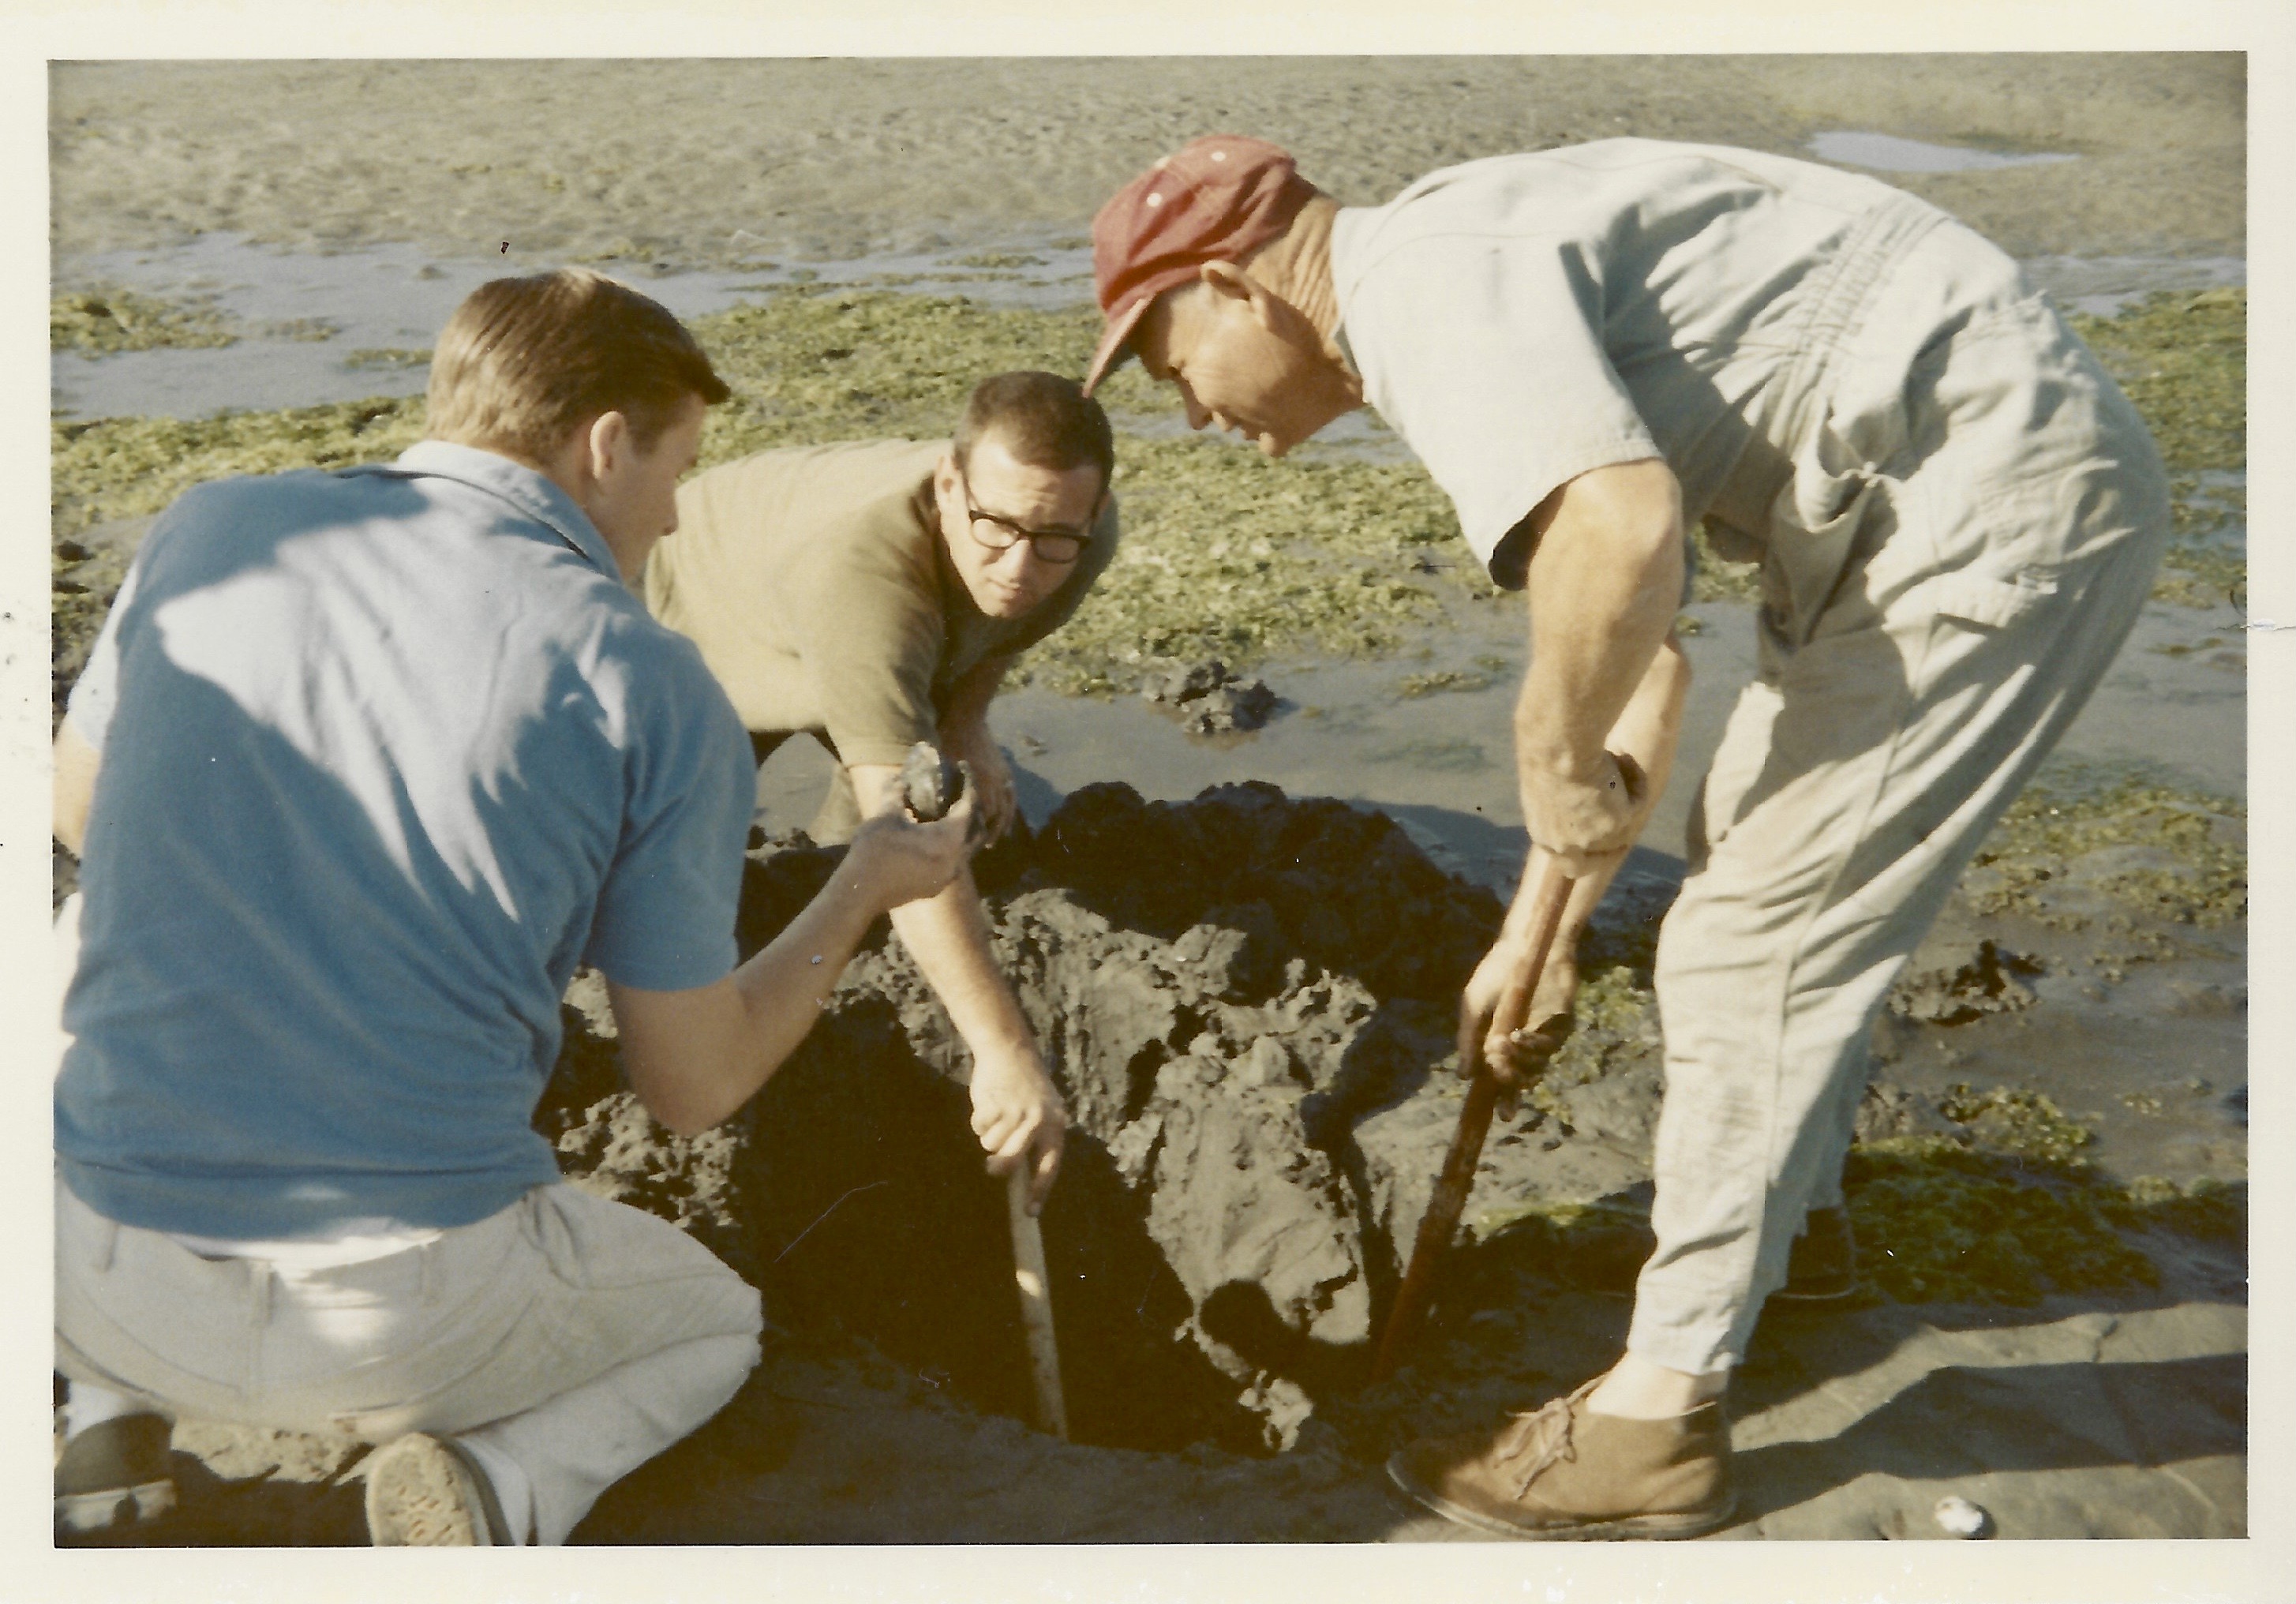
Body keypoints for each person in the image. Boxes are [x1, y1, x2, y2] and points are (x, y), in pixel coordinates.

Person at [1083, 134, 2166, 1538]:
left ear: (1234, 285)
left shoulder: (1418, 287)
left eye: (1169, 365)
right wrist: (1530, 937)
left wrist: (1541, 754)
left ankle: (1655, 1426)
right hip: (1922, 491)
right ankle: (1785, 1244)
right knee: (1750, 866)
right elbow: (1637, 661)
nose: (1187, 413)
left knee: (1744, 949)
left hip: (1973, 489)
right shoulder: (1434, 264)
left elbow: (1621, 528)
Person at [51, 268, 977, 1546]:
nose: (667, 522)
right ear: (604, 445)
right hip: (403, 1321)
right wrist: (865, 879)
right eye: (679, 468)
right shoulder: (648, 681)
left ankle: (102, 1410)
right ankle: (498, 1492)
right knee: (712, 1322)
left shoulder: (203, 528)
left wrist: (295, 885)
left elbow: (85, 817)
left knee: (76, 936)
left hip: (86, 1272)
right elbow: (691, 1088)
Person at [643, 371, 1122, 1207]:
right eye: (995, 526)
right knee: (673, 873)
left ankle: (851, 1007)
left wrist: (968, 724)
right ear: (948, 483)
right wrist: (1003, 1050)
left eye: (1052, 539)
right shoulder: (864, 578)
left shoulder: (1075, 533)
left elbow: (1009, 620)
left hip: (861, 628)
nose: (1017, 566)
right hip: (698, 620)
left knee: (867, 861)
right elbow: (899, 831)